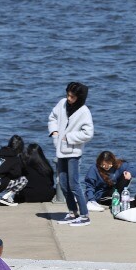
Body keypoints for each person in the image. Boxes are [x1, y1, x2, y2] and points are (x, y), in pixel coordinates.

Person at [48, 82, 94, 226]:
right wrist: (54, 132)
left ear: (79, 97)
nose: (68, 98)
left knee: (74, 184)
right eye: (67, 95)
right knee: (63, 183)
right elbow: (53, 117)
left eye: (72, 96)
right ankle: (73, 212)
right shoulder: (62, 103)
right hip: (60, 150)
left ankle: (85, 215)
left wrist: (69, 137)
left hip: (74, 152)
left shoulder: (84, 111)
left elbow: (88, 133)